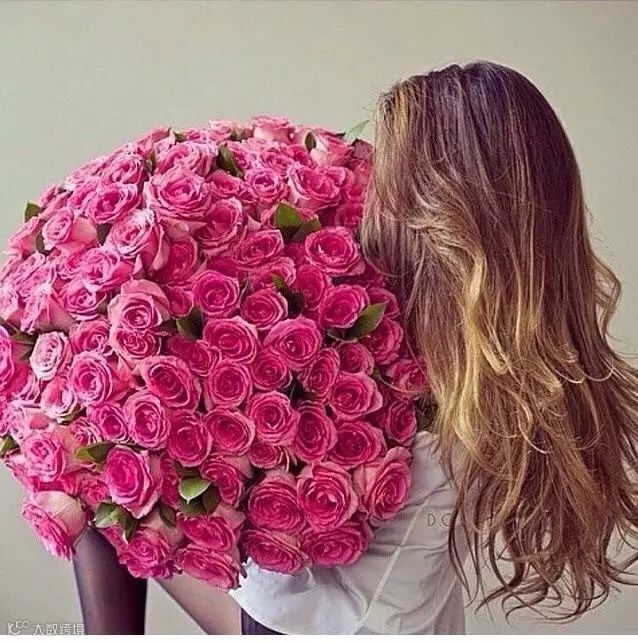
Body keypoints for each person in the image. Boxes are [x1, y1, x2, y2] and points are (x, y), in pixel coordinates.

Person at [72, 61, 638, 634]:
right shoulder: (499, 358)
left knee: (89, 460)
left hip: (319, 625)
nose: (368, 188)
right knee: (91, 454)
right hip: (372, 617)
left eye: (388, 174)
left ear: (440, 212)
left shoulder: (421, 394)